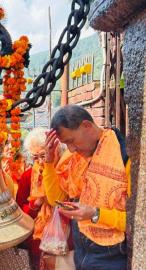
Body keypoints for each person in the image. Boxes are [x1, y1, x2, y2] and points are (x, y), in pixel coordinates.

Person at [43, 105, 130, 270]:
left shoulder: (124, 157)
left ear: (87, 126)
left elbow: (137, 222)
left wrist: (95, 214)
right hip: (81, 250)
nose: (71, 149)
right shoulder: (72, 159)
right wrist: (48, 162)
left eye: (71, 141)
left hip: (111, 255)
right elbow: (57, 200)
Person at [16, 127, 70, 270]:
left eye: (43, 155)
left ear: (55, 149)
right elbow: (19, 213)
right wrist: (36, 203)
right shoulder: (28, 176)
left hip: (65, 235)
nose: (40, 161)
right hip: (37, 239)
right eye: (35, 157)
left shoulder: (65, 169)